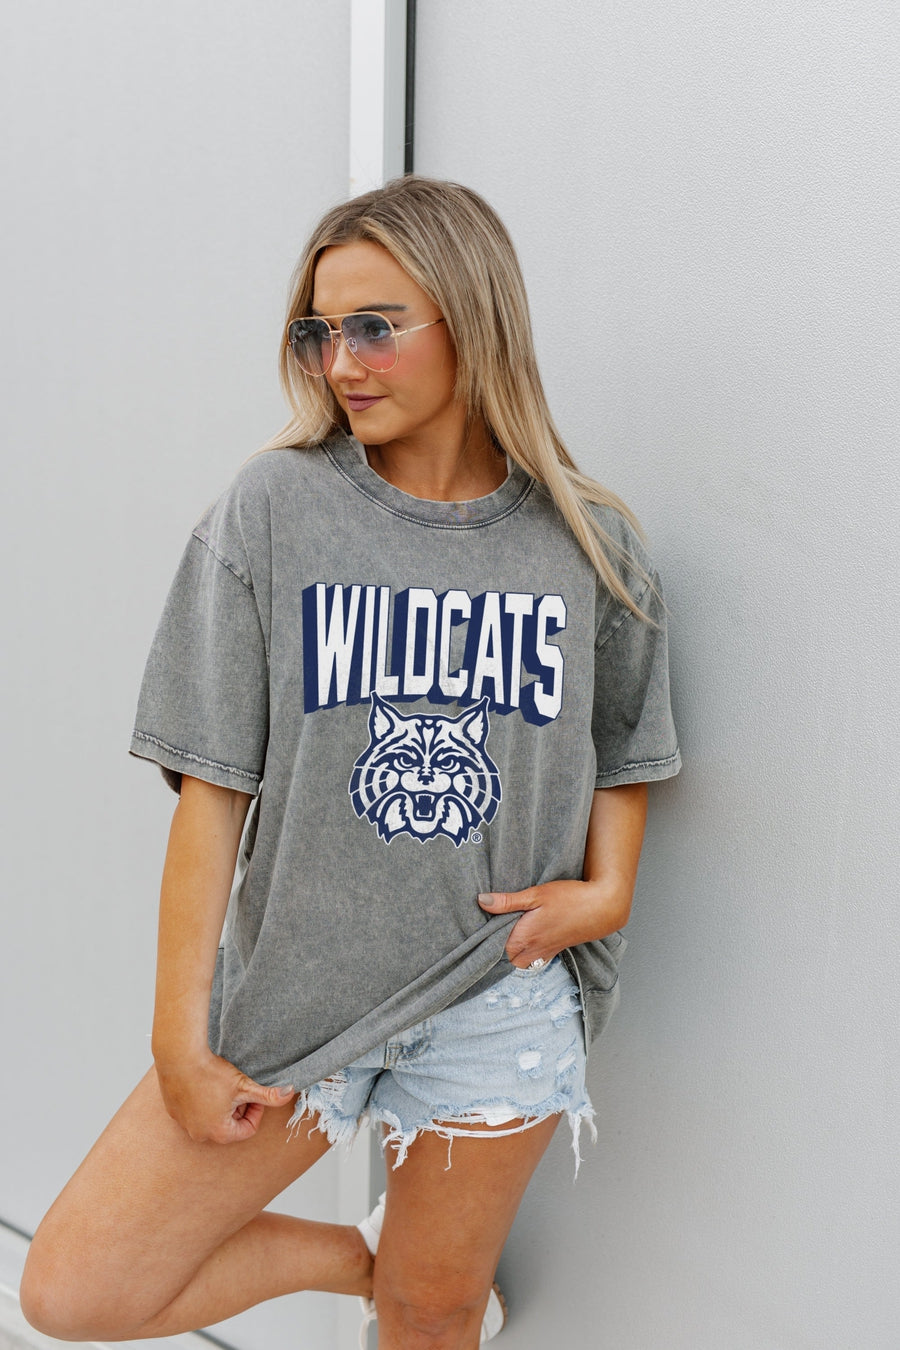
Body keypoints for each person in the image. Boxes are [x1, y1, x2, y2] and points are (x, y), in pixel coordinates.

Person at [21, 176, 680, 1350]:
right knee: (78, 1292)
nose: (341, 364)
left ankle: (418, 1283)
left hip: (497, 990)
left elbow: (624, 742)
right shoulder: (275, 508)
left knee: (434, 1316)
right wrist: (178, 1037)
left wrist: (609, 891)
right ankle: (371, 1262)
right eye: (319, 333)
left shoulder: (587, 540)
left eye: (375, 327)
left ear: (472, 321)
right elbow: (211, 793)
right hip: (298, 993)